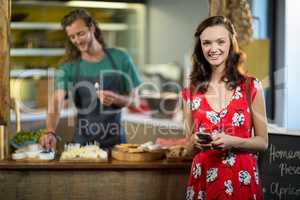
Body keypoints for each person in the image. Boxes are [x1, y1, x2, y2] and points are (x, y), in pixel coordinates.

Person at [182, 16, 268, 200]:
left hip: (241, 178)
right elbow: (187, 146)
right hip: (203, 178)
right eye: (206, 43)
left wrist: (232, 141)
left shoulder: (251, 86)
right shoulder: (190, 91)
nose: (213, 49)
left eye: (220, 41)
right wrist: (194, 142)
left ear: (231, 44)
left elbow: (263, 142)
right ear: (200, 47)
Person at [40, 9, 142, 150]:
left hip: (117, 144)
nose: (77, 40)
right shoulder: (68, 67)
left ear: (92, 28)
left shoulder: (121, 58)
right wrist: (50, 131)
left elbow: (135, 101)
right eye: (72, 37)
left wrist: (116, 98)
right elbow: (56, 101)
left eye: (80, 33)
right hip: (82, 144)